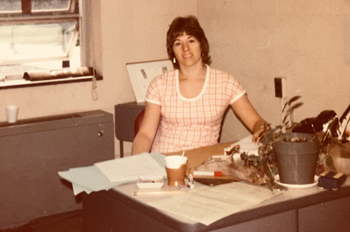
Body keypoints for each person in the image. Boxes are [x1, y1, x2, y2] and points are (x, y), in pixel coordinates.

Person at [131, 15, 267, 155]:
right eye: (178, 43)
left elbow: (257, 122)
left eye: (191, 40)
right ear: (172, 52)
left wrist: (262, 131)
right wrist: (139, 163)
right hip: (166, 163)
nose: (185, 48)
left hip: (205, 166)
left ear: (202, 45)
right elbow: (145, 135)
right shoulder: (159, 85)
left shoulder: (226, 82)